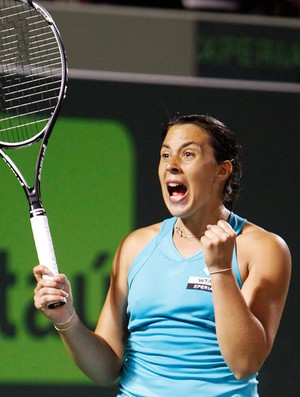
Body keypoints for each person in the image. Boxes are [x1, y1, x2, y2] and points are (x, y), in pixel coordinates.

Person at [33, 114, 291, 396]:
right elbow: (106, 369)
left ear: (222, 170)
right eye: (165, 155)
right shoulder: (135, 246)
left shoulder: (263, 248)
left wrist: (220, 271)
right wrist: (66, 319)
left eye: (188, 154)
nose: (172, 166)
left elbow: (244, 363)